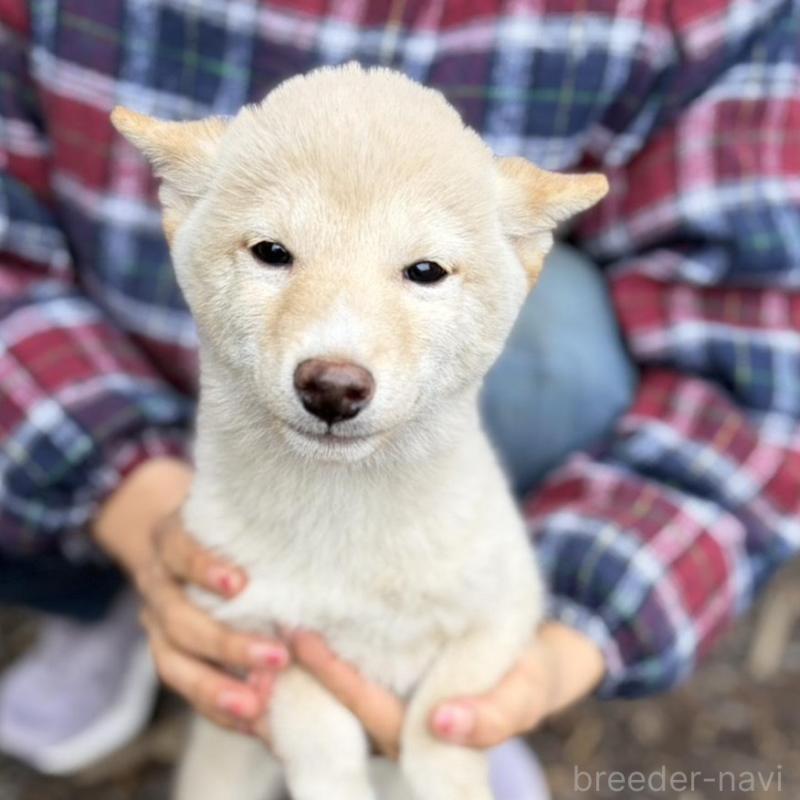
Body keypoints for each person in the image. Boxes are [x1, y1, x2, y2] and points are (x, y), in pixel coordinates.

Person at [0, 0, 797, 795]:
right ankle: (113, 580)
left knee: (565, 348)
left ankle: (420, 664)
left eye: (423, 271)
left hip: (430, 451)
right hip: (122, 373)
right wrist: (134, 508)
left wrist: (557, 651)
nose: (338, 352)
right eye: (275, 251)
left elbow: (754, 358)